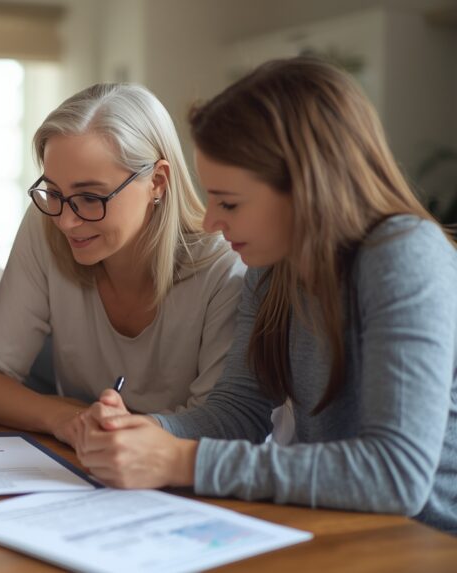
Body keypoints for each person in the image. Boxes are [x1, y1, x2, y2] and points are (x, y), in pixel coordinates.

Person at [78, 57, 457, 534]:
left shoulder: (404, 255)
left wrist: (183, 460)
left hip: (424, 540)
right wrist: (145, 433)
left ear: (306, 188)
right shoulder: (272, 269)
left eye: (229, 203)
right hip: (335, 529)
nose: (212, 222)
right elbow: (238, 411)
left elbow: (396, 475)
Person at [0, 83, 244, 446]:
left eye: (90, 197)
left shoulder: (225, 268)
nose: (66, 221)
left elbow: (221, 421)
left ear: (157, 182)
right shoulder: (45, 225)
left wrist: (121, 434)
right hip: (84, 467)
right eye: (54, 193)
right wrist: (67, 419)